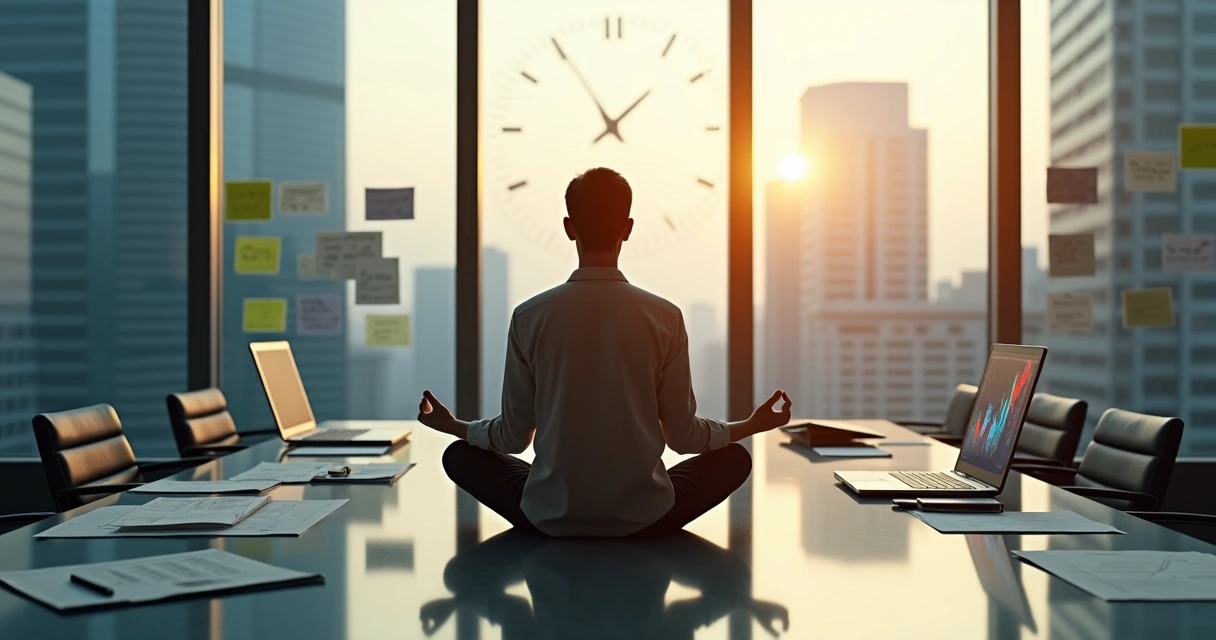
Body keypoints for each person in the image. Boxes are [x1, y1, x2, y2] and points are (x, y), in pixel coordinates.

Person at [417, 167, 792, 537]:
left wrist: (452, 426)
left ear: (569, 227)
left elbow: (513, 439)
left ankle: (553, 499)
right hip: (647, 517)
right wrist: (752, 425)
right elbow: (684, 439)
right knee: (735, 457)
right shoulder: (664, 317)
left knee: (459, 455)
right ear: (627, 229)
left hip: (549, 517)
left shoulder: (530, 316)